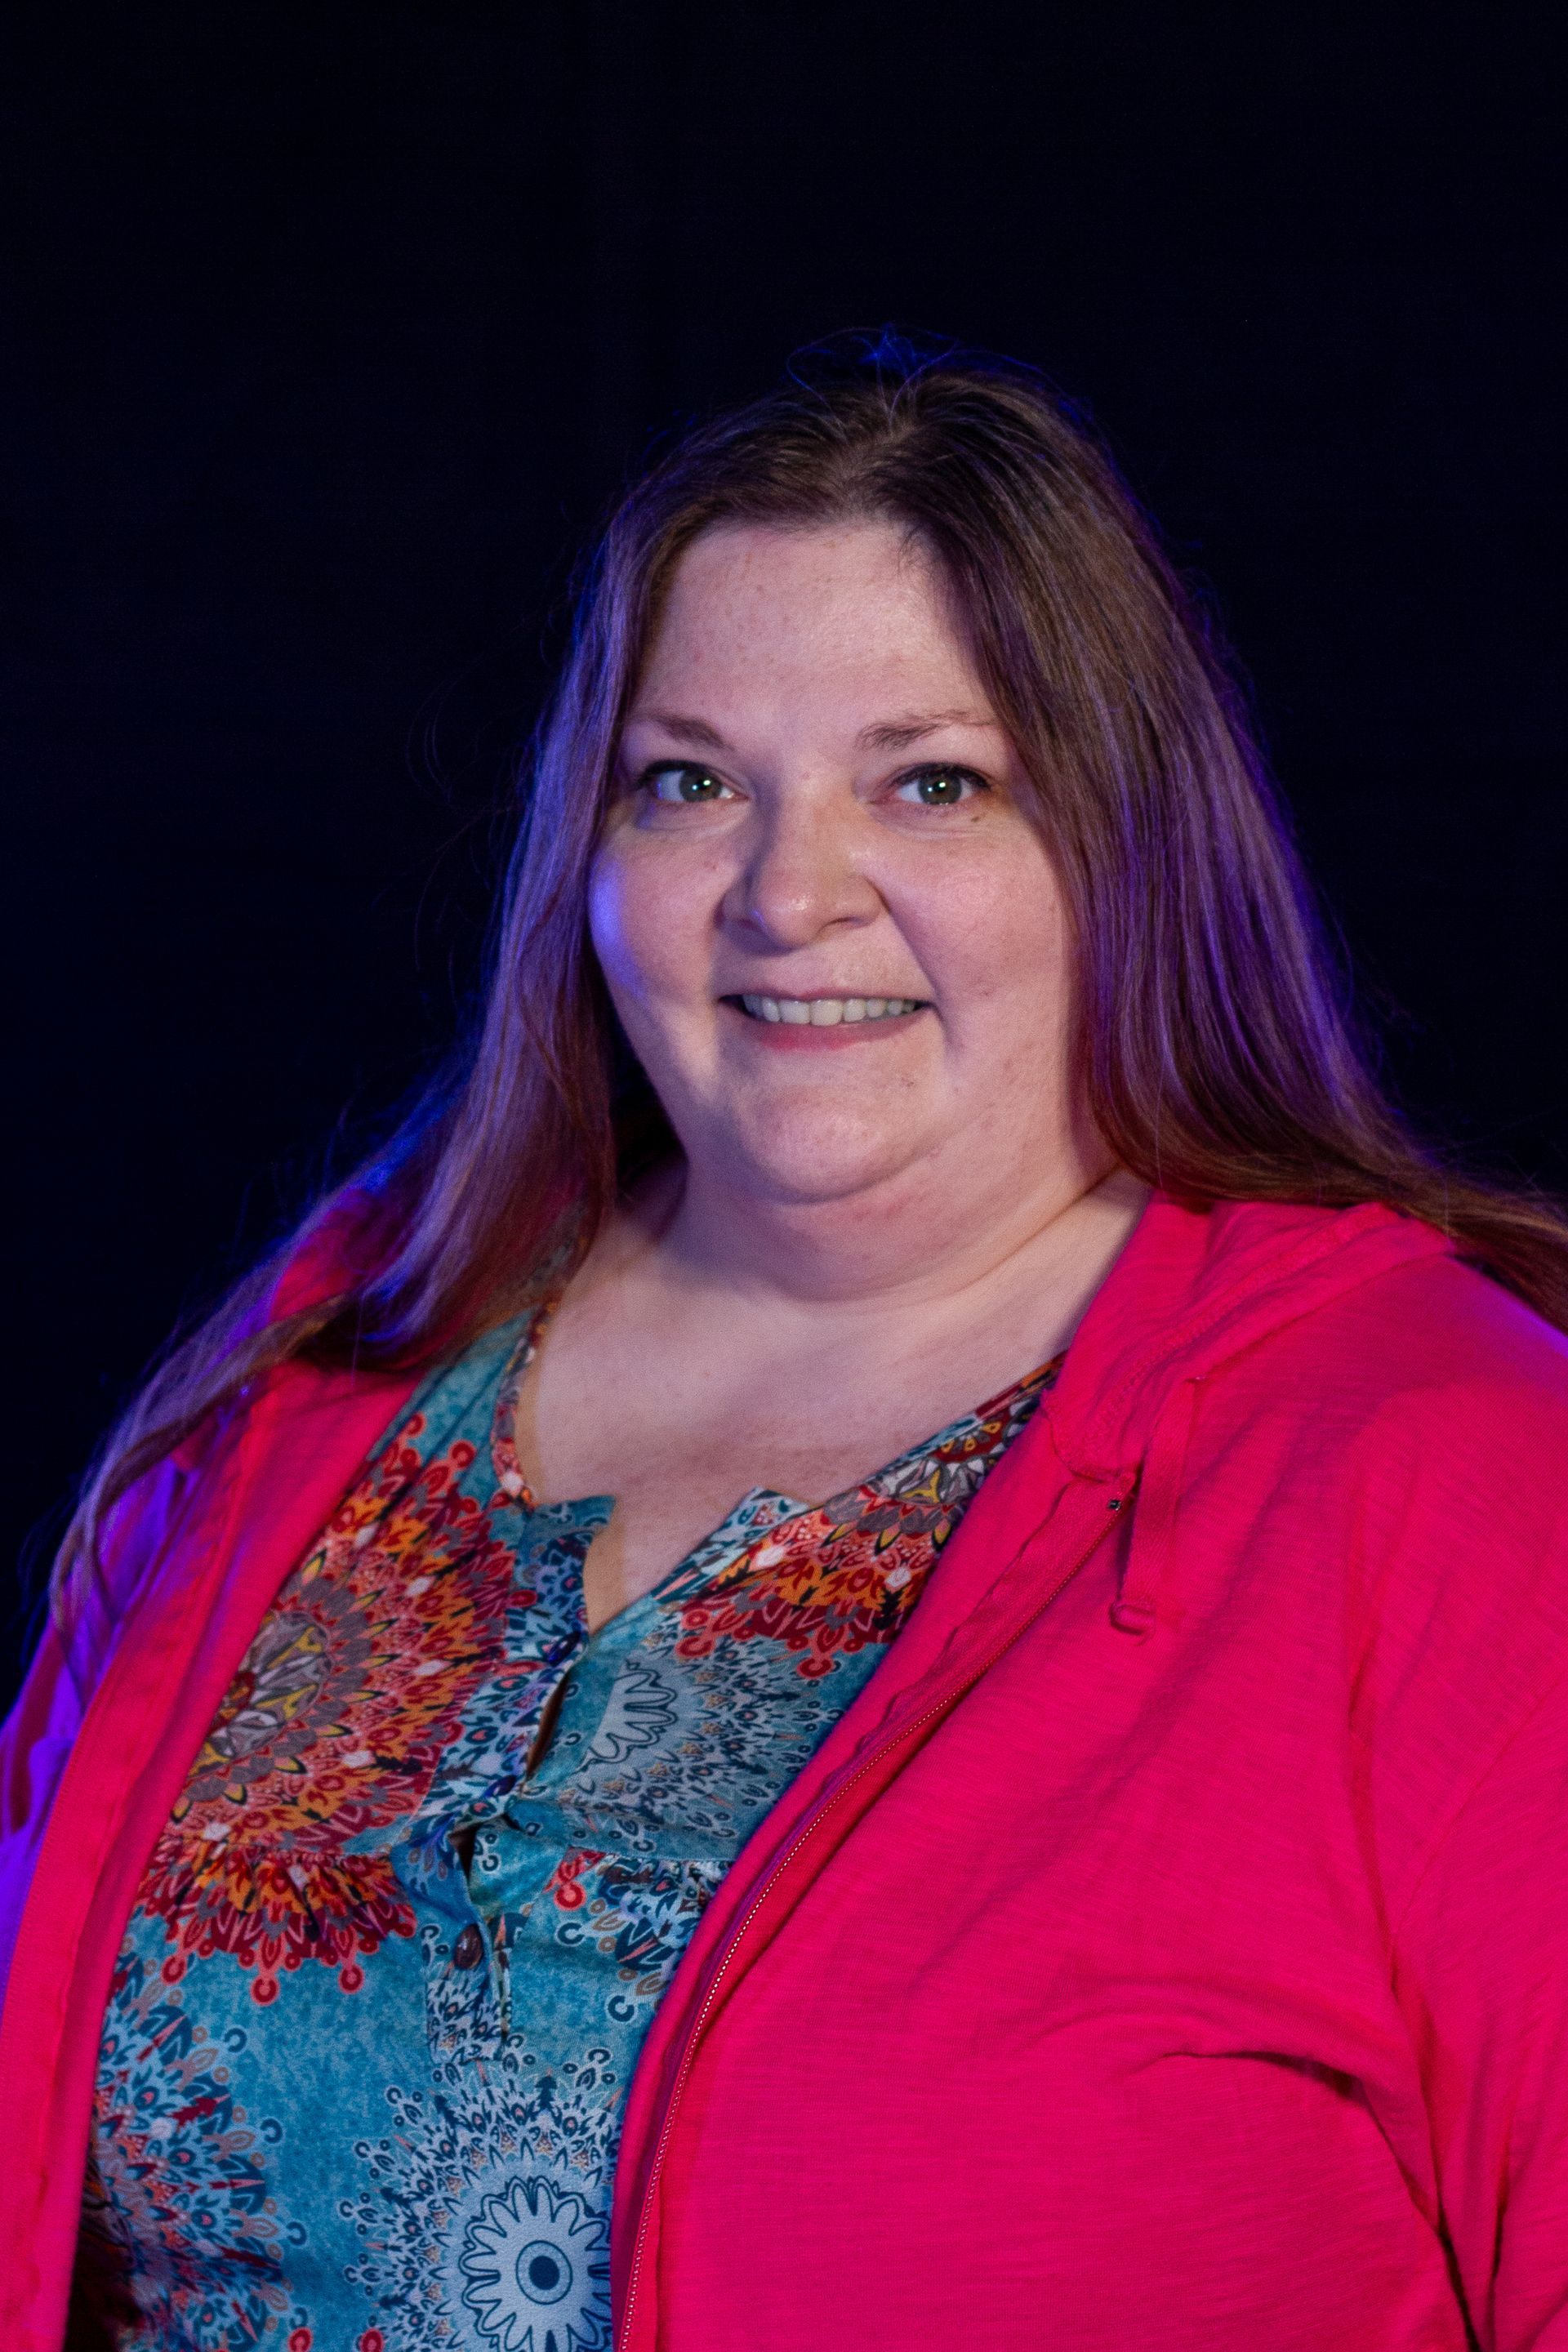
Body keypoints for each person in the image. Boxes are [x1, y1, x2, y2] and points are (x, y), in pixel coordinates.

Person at [4, 338, 1567, 2352]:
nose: (788, 894)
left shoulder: (1453, 1470)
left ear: (1119, 846)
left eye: (933, 780)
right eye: (691, 784)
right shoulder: (329, 1370)